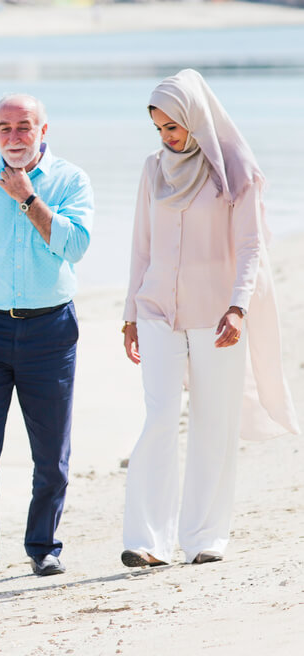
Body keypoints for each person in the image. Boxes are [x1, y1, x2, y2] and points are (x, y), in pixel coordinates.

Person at [120, 69, 298, 568]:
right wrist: (129, 312)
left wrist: (239, 306)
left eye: (173, 127)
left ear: (195, 118)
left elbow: (250, 246)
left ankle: (204, 537)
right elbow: (140, 246)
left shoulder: (235, 169)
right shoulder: (153, 169)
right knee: (159, 418)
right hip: (157, 309)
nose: (167, 137)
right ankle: (147, 539)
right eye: (159, 129)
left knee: (212, 422)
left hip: (218, 314)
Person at [0, 93, 94, 587]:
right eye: (4, 128)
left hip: (50, 329)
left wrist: (28, 198)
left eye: (24, 127)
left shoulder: (71, 181)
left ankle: (43, 548)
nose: (13, 137)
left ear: (44, 130)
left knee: (50, 450)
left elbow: (75, 246)